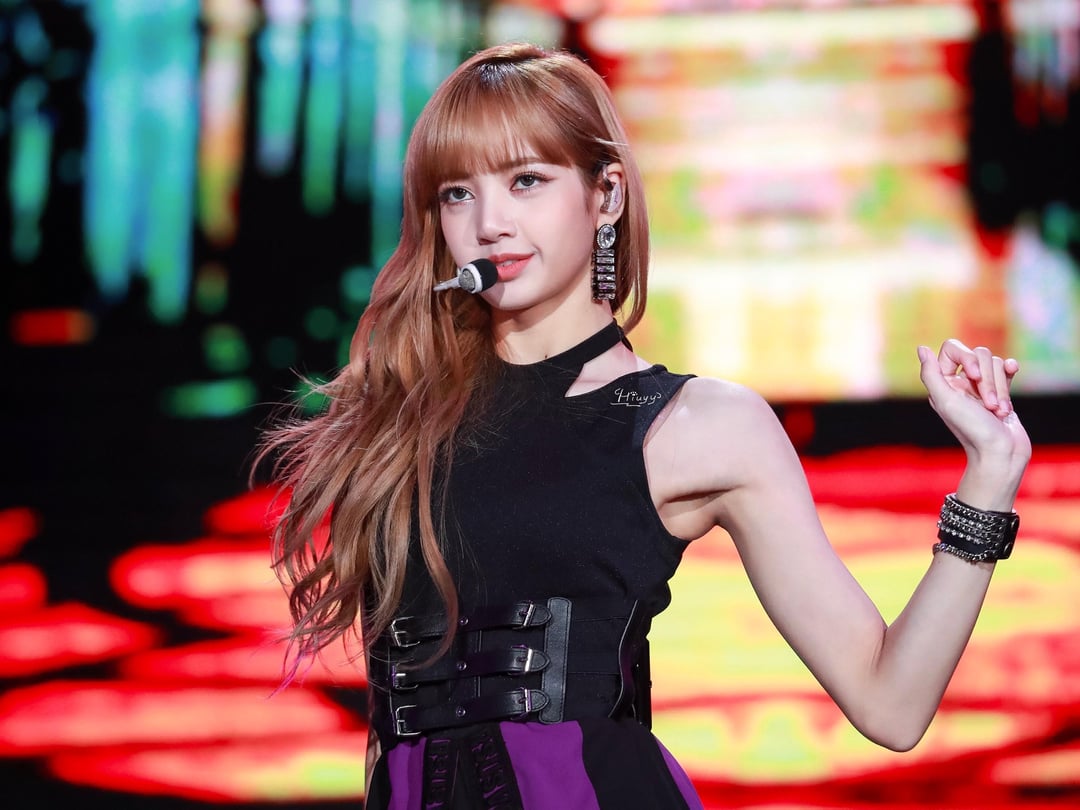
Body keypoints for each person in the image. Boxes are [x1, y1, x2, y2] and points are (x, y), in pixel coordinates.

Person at [258, 42, 1032, 809]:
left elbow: (891, 704)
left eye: (527, 180)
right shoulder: (403, 417)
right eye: (458, 193)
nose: (490, 223)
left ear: (607, 195)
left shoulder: (697, 426)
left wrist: (990, 478)